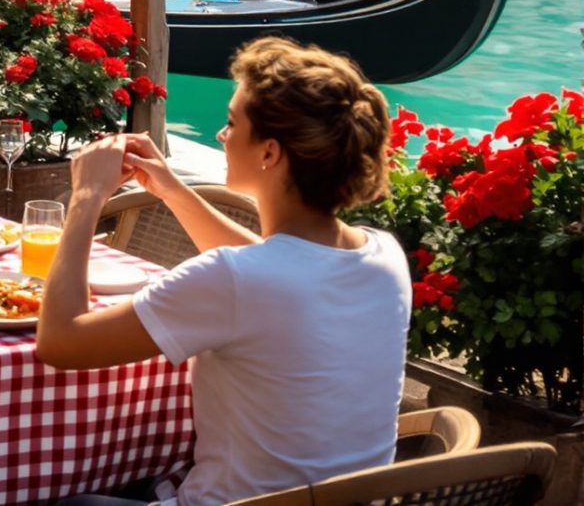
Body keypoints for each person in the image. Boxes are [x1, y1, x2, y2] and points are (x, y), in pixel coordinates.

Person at [36, 38, 409, 506]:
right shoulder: (385, 257)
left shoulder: (237, 279)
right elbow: (281, 271)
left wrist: (87, 197)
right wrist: (172, 190)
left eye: (232, 123)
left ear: (269, 153)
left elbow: (60, 342)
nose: (221, 135)